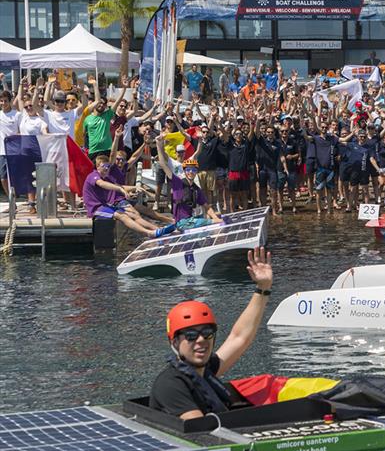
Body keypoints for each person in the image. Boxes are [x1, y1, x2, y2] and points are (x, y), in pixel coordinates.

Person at [149, 247, 273, 419]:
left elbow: (239, 337)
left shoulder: (205, 371)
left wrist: (263, 288)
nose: (201, 340)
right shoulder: (171, 385)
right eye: (191, 335)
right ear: (175, 342)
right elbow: (200, 429)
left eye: (207, 333)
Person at [82, 155, 175, 238]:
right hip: (95, 209)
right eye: (104, 166)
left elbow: (120, 186)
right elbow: (102, 184)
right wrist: (120, 190)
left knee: (132, 214)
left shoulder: (106, 178)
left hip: (105, 206)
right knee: (122, 216)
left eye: (108, 166)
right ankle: (148, 233)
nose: (106, 169)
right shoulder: (93, 176)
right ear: (98, 167)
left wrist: (135, 187)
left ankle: (158, 229)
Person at [156, 135, 221, 228]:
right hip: (182, 222)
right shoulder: (177, 182)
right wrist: (159, 144)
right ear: (185, 172)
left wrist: (215, 218)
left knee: (217, 216)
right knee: (213, 222)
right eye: (188, 170)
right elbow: (163, 164)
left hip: (191, 219)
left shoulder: (196, 189)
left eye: (194, 170)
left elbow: (207, 206)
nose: (191, 172)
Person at [0, 89, 21, 197]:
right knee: (3, 178)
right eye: (1, 101)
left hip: (15, 151)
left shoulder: (17, 115)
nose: (3, 103)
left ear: (10, 101)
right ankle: (11, 200)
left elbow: (22, 131)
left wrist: (14, 137)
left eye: (5, 101)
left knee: (15, 177)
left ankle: (22, 198)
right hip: (2, 152)